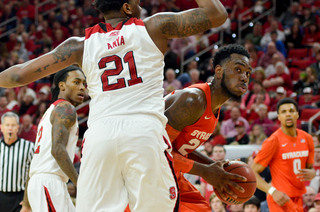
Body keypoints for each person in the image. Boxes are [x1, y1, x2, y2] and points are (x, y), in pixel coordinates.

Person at [0, 0, 229, 211]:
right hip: (143, 132)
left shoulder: (78, 46)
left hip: (100, 137)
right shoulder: (155, 26)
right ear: (128, 8)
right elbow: (217, 15)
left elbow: (18, 76)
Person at [164, 44, 251, 211]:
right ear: (218, 71)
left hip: (168, 170)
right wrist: (205, 171)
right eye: (238, 70)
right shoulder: (194, 101)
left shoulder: (214, 109)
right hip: (142, 168)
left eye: (247, 73)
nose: (244, 77)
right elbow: (155, 150)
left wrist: (213, 166)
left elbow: (179, 148)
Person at [20, 66, 86, 212]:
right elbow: (57, 150)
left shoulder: (50, 111)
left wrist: (26, 203)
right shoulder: (65, 109)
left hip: (45, 182)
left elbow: (36, 162)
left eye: (84, 83)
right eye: (76, 82)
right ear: (62, 86)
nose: (82, 87)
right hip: (49, 182)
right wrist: (81, 184)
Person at [251, 98, 316, 212]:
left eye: (291, 111)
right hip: (279, 199)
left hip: (299, 197)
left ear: (297, 114)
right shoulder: (273, 141)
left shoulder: (307, 138)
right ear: (279, 117)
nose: (288, 114)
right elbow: (252, 172)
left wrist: (313, 173)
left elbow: (309, 169)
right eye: (284, 112)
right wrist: (272, 191)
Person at [0, 112, 34, 212]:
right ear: (1, 127)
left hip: (20, 198)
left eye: (13, 125)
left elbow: (34, 174)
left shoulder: (29, 147)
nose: (10, 128)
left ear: (18, 127)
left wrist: (28, 200)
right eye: (7, 125)